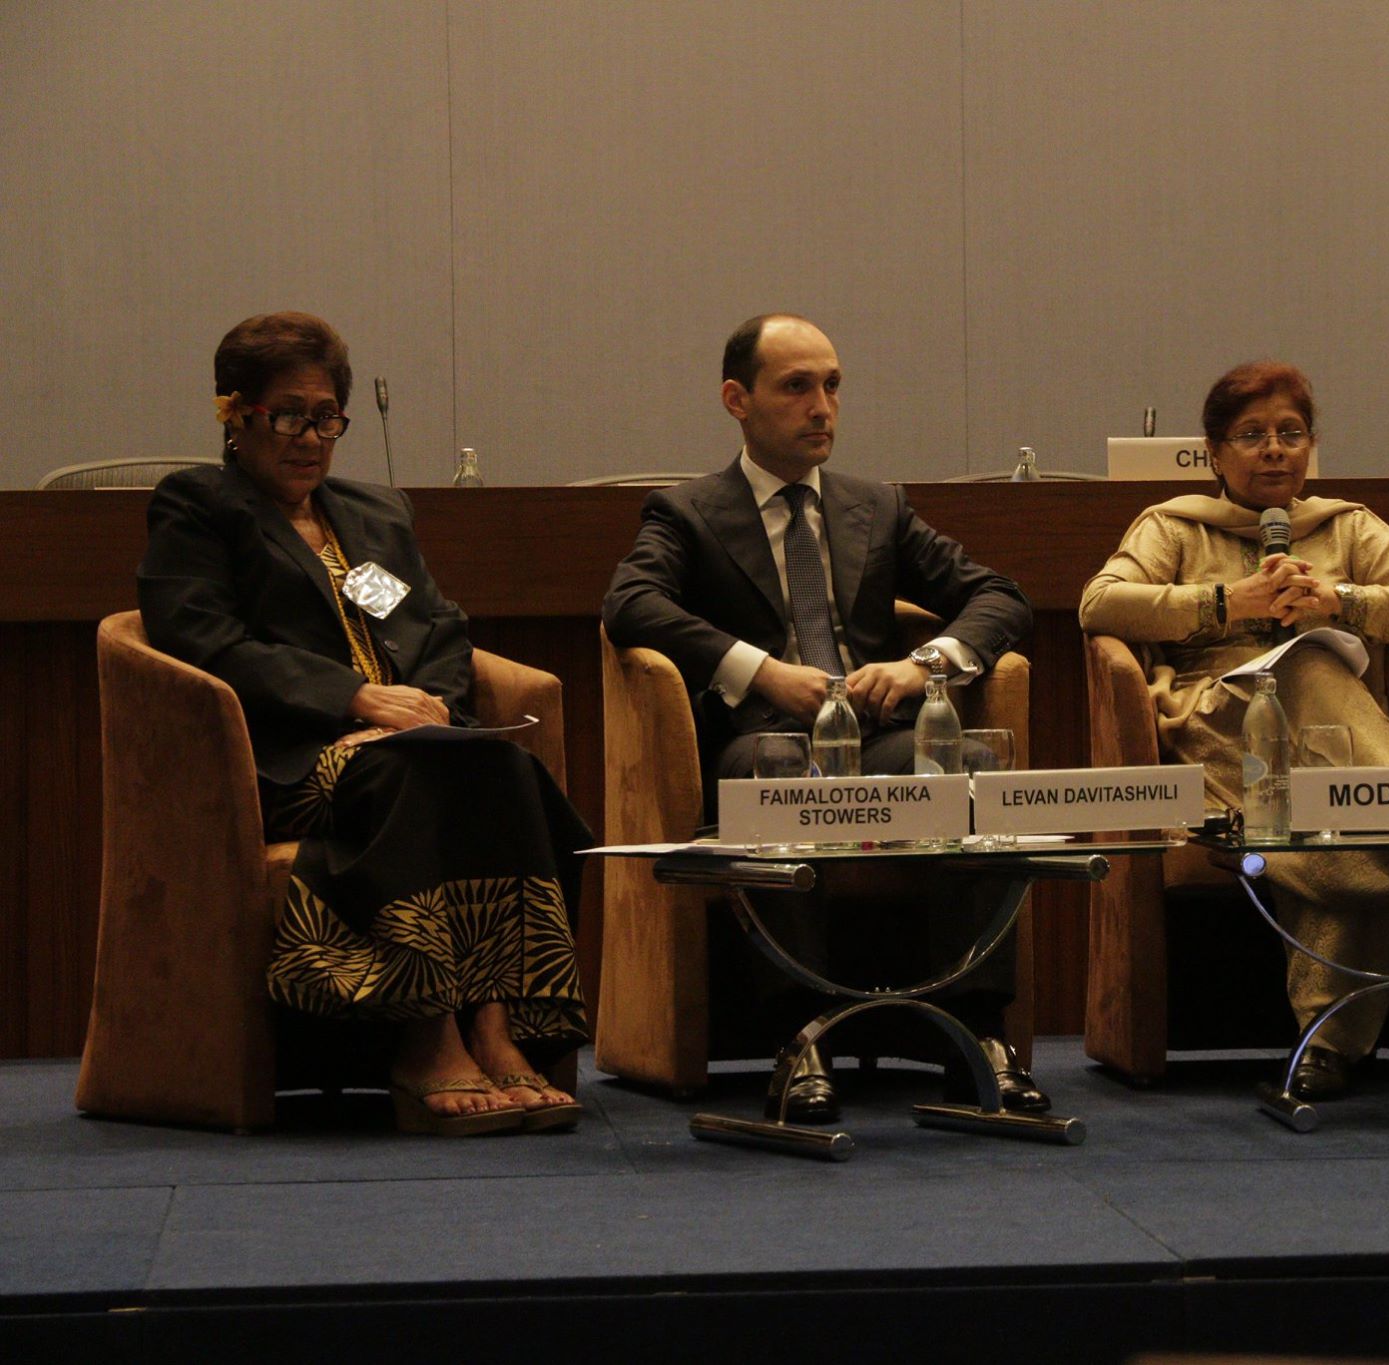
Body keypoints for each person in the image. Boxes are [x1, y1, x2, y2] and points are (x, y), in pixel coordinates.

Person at [139, 312, 591, 1136]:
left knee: (505, 768)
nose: (312, 439)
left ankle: (496, 1028)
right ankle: (426, 1038)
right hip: (286, 754)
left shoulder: (375, 514)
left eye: (327, 418)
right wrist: (356, 699)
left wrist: (431, 709)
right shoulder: (201, 507)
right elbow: (202, 637)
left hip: (405, 746)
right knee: (407, 773)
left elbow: (439, 628)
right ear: (235, 415)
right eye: (289, 416)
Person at [602, 313, 1038, 1122]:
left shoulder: (876, 506)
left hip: (877, 737)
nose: (822, 407)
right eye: (797, 387)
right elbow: (630, 604)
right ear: (737, 399)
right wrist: (762, 670)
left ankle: (979, 1033)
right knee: (777, 773)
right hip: (761, 738)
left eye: (833, 385)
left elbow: (999, 596)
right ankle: (799, 1039)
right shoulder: (689, 512)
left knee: (970, 773)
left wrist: (921, 665)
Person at [1078, 360, 1389, 1100]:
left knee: (1328, 809)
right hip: (1220, 720)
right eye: (1251, 435)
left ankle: (1324, 1048)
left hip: (1331, 737)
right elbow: (1100, 605)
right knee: (1319, 697)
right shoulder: (1173, 526)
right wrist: (1229, 602)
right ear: (1214, 452)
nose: (1274, 451)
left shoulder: (1345, 525)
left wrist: (1339, 600)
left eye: (1291, 434)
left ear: (1311, 446)